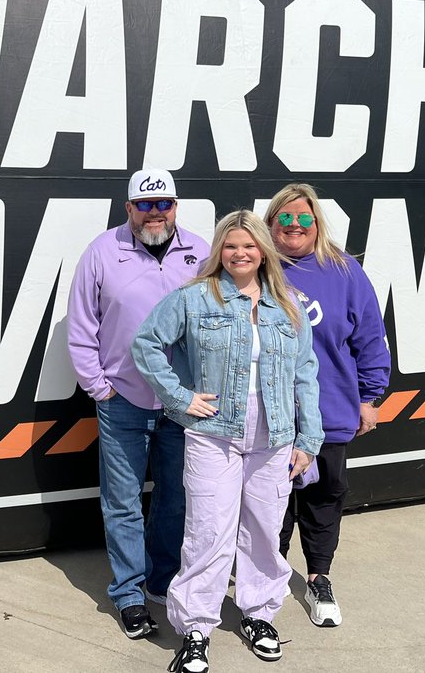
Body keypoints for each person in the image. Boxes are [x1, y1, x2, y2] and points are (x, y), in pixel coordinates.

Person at [133, 210, 323, 672]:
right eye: (232, 246)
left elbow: (306, 375)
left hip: (274, 433)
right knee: (207, 532)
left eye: (250, 245)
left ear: (264, 251)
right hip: (214, 434)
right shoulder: (195, 298)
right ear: (221, 250)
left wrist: (309, 438)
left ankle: (259, 614)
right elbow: (146, 344)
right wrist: (180, 399)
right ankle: (196, 629)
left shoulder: (289, 305)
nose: (241, 253)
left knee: (263, 528)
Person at [67, 169, 210, 640]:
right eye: (145, 205)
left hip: (182, 402)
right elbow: (83, 325)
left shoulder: (201, 252)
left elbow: (218, 318)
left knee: (176, 498)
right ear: (128, 208)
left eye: (164, 203)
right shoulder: (101, 252)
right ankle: (128, 593)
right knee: (123, 501)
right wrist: (100, 387)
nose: (155, 212)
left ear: (176, 206)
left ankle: (161, 580)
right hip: (123, 399)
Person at [266, 183, 391, 628]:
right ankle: (269, 577)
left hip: (331, 408)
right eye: (285, 218)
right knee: (271, 499)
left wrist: (370, 397)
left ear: (317, 224)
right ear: (271, 224)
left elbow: (370, 337)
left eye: (304, 219)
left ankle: (319, 578)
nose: (295, 226)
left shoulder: (344, 271)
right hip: (272, 414)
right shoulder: (257, 266)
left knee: (323, 497)